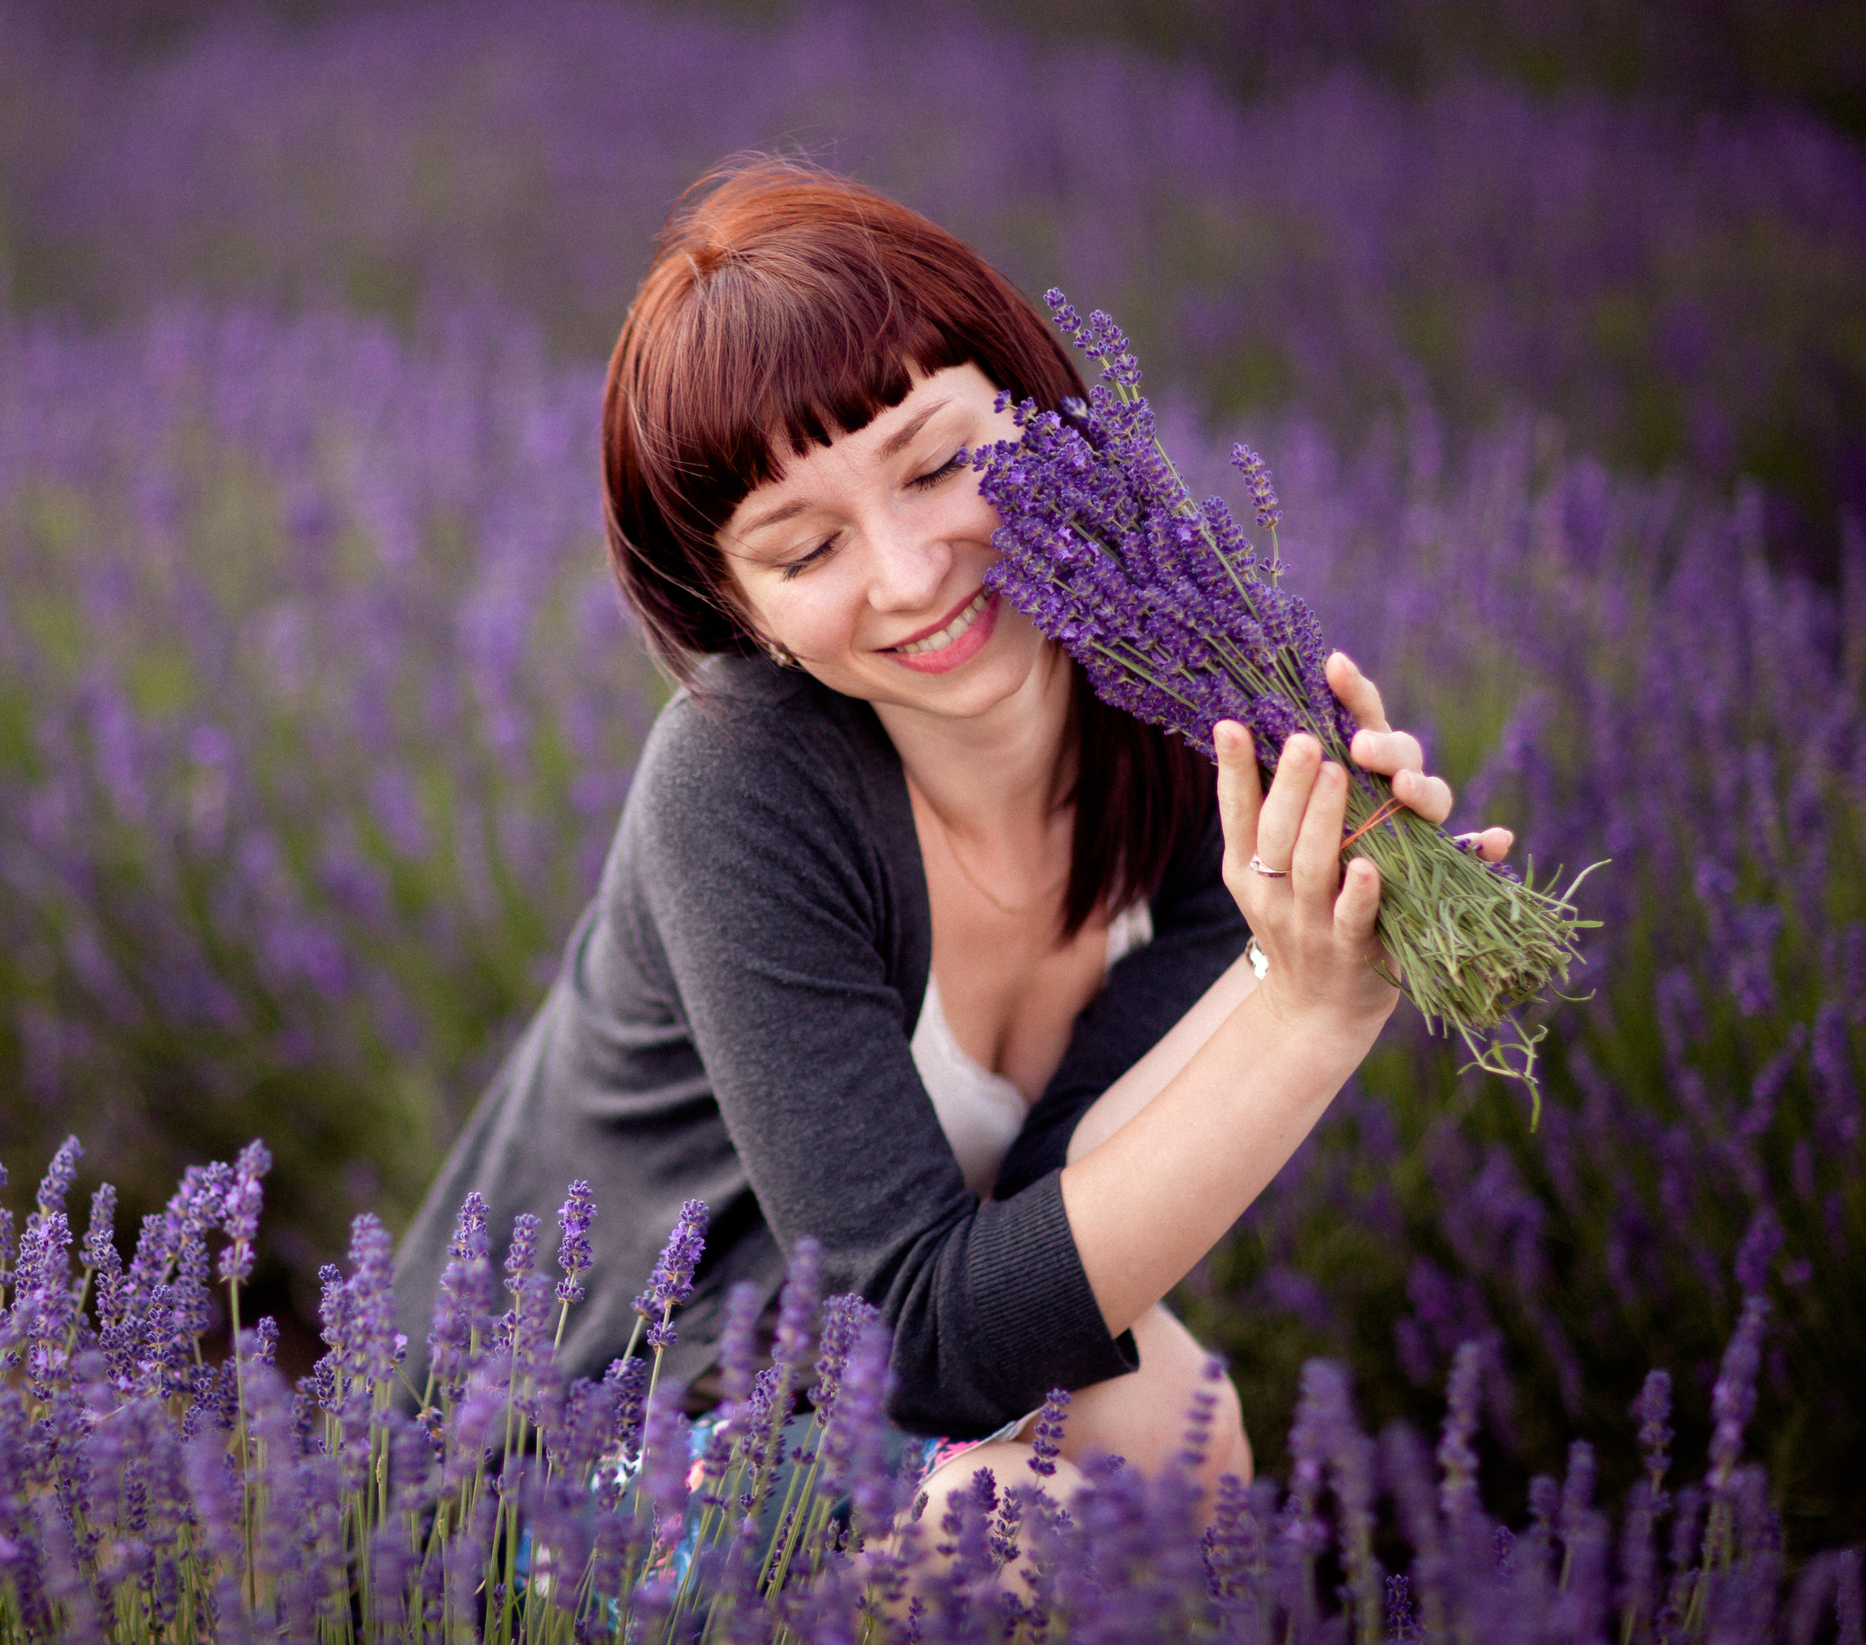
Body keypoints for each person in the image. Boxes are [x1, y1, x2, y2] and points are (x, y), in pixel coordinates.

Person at [393, 158, 1512, 1515]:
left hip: (843, 1409)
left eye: (934, 464)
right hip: (562, 1457)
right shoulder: (745, 774)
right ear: (741, 612)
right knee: (1044, 1509)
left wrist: (1301, 935)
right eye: (806, 552)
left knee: (1166, 1412)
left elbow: (1048, 1258)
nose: (913, 571)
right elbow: (922, 1341)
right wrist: (1313, 1017)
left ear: (1037, 412)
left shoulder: (1191, 719)